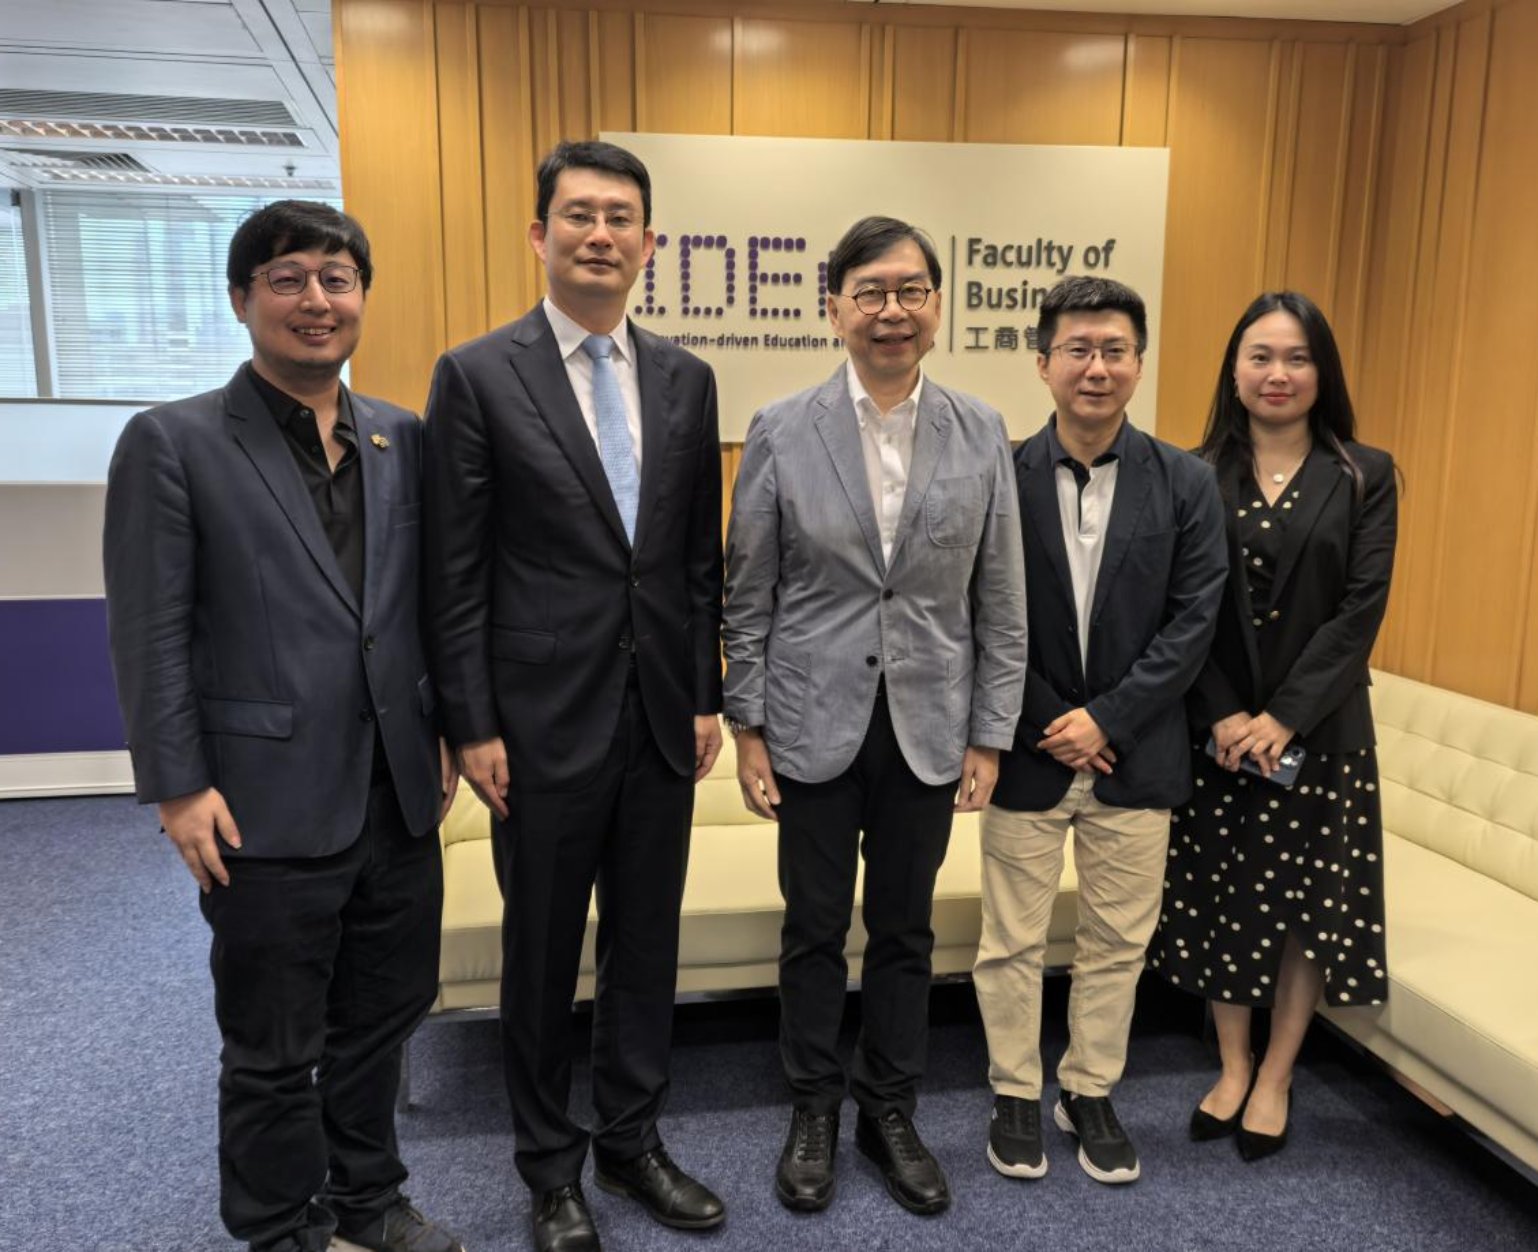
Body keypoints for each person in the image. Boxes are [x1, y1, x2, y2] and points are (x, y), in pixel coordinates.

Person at [102, 201, 463, 1252]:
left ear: (361, 297)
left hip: (396, 791)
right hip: (257, 802)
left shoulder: (401, 435)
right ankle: (277, 1226)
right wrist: (177, 786)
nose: (317, 300)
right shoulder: (173, 441)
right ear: (241, 298)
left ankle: (368, 1199)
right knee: (271, 1042)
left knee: (382, 1019)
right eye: (288, 277)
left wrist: (443, 728)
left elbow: (419, 609)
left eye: (337, 279)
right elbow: (151, 629)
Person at [421, 140, 725, 1252]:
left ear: (650, 243)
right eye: (579, 215)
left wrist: (704, 695)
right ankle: (549, 1170)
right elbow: (454, 570)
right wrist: (471, 723)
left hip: (659, 720)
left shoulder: (686, 378)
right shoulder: (477, 374)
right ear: (538, 235)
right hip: (537, 726)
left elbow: (696, 562)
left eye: (620, 218)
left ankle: (632, 1142)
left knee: (646, 947)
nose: (601, 234)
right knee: (543, 957)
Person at [723, 215, 1028, 1218]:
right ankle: (812, 1105)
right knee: (812, 929)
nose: (890, 310)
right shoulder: (781, 427)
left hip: (928, 726)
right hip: (811, 720)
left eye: (909, 291)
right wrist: (747, 728)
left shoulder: (981, 429)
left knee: (904, 932)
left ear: (936, 306)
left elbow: (1000, 598)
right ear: (834, 309)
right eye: (869, 292)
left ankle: (888, 1108)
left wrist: (989, 733)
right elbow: (748, 592)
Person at [973, 276, 1228, 1187]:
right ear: (1042, 363)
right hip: (1028, 749)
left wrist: (1108, 719)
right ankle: (1014, 1090)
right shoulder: (998, 474)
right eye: (1077, 349)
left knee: (1118, 944)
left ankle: (1088, 1090)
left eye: (1114, 350)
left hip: (1138, 753)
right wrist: (1056, 720)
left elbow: (1195, 620)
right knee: (1010, 941)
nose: (1096, 367)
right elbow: (977, 612)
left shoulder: (1187, 480)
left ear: (1139, 365)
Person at [1146, 291, 1398, 1161]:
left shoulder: (1365, 473)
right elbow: (1182, 607)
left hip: (1322, 733)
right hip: (1219, 733)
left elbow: (1361, 610)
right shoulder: (1192, 472)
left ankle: (1278, 1075)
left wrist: (1284, 717)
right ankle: (1231, 1063)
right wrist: (1224, 712)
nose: (1277, 374)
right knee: (1227, 896)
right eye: (1260, 356)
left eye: (1297, 357)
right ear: (1234, 369)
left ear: (1322, 371)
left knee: (1303, 911)